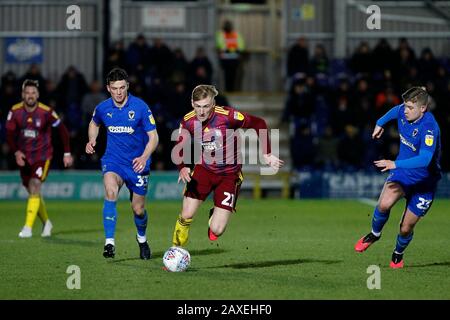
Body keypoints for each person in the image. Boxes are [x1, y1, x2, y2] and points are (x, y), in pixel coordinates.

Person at [170, 85, 284, 248]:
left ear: (213, 104)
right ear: (192, 103)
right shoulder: (188, 120)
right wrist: (182, 166)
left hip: (229, 175)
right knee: (186, 214)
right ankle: (175, 250)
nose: (201, 112)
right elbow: (179, 145)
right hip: (204, 169)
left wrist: (267, 153)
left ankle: (214, 216)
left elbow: (259, 123)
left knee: (216, 231)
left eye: (206, 106)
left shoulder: (228, 116)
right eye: (198, 106)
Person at [354, 87, 441, 268]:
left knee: (405, 227)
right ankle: (374, 234)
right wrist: (380, 122)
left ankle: (398, 253)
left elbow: (425, 159)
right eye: (405, 106)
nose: (405, 110)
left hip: (425, 182)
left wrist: (395, 164)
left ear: (422, 109)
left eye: (410, 107)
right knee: (384, 204)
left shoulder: (429, 128)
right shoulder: (403, 110)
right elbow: (395, 111)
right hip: (403, 174)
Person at [85, 68, 159, 260]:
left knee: (138, 209)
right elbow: (94, 123)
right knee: (110, 192)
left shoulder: (141, 107)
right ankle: (109, 243)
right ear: (108, 88)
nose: (119, 92)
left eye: (122, 88)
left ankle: (142, 239)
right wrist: (92, 140)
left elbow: (154, 137)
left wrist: (143, 157)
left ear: (127, 86)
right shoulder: (103, 108)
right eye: (114, 88)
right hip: (113, 161)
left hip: (137, 165)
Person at [5, 79, 73, 238]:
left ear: (38, 95)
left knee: (35, 185)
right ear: (23, 94)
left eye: (33, 93)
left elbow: (62, 130)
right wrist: (16, 152)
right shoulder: (15, 111)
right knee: (32, 192)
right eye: (27, 93)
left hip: (43, 156)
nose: (30, 96)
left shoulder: (46, 112)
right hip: (24, 156)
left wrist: (67, 153)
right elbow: (8, 135)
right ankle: (47, 222)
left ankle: (27, 228)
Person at [216, 20, 245, 92]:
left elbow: (241, 46)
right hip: (229, 59)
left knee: (231, 77)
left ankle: (231, 91)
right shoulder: (222, 34)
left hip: (231, 59)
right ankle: (230, 91)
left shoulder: (223, 34)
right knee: (229, 77)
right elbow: (241, 47)